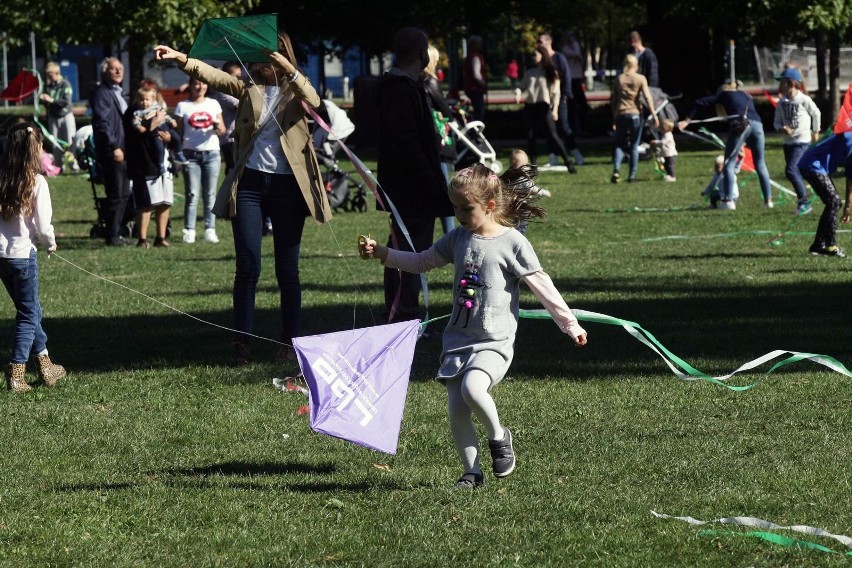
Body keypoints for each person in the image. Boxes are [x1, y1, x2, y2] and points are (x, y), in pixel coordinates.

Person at [360, 164, 588, 488]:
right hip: (458, 339)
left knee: (473, 389)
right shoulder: (458, 238)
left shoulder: (512, 243)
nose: (460, 215)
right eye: (455, 208)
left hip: (494, 341)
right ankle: (472, 472)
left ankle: (499, 437)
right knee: (456, 409)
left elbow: (542, 286)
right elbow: (422, 261)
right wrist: (384, 253)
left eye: (466, 208)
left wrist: (569, 324)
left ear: (490, 206)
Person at [154, 33, 333, 365]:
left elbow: (315, 102)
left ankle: (289, 343)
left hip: (289, 188)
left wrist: (289, 70)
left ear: (279, 56)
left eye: (266, 55)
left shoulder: (296, 89)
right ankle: (243, 344)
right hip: (249, 184)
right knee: (248, 266)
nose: (257, 62)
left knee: (287, 270)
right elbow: (215, 77)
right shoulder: (249, 88)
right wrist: (181, 58)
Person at [373, 27, 453, 325]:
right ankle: (403, 317)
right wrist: (430, 182)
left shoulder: (406, 87)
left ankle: (405, 314)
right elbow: (406, 144)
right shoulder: (400, 90)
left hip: (411, 188)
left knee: (408, 251)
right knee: (408, 253)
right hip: (411, 190)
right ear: (421, 54)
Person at [0, 122, 66, 392]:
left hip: (1, 257)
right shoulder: (37, 182)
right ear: (36, 149)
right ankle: (17, 372)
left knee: (30, 310)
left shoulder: (2, 178)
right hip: (23, 256)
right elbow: (43, 225)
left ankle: (46, 365)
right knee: (28, 315)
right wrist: (50, 243)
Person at [678, 81, 773, 209]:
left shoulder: (724, 94)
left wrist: (686, 120)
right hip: (758, 125)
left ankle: (728, 201)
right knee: (760, 164)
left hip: (740, 125)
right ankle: (768, 201)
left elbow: (699, 102)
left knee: (729, 163)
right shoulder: (745, 95)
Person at [123, 85, 176, 248]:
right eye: (142, 98)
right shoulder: (133, 113)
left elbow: (173, 134)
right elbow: (137, 135)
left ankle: (160, 237)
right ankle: (142, 239)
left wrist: (170, 138)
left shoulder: (160, 111)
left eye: (149, 98)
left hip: (165, 165)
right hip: (145, 164)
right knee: (146, 203)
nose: (145, 102)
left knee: (164, 202)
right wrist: (153, 123)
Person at [174, 77, 225, 244]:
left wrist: (218, 128)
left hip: (211, 153)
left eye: (203, 83)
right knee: (192, 193)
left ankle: (210, 229)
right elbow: (178, 132)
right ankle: (189, 230)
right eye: (196, 83)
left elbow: (223, 129)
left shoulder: (213, 104)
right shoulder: (182, 106)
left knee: (210, 193)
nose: (200, 86)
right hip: (190, 154)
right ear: (190, 86)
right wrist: (176, 153)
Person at [514, 47, 577, 175]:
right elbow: (521, 87)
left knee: (554, 135)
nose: (533, 57)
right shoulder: (530, 72)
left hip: (544, 107)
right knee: (530, 137)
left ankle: (568, 162)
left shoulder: (550, 72)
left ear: (542, 56)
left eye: (535, 54)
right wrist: (517, 93)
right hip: (530, 106)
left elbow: (556, 93)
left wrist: (555, 110)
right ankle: (533, 167)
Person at [90, 57, 132, 246]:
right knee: (116, 194)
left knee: (123, 193)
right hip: (113, 151)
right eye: (113, 69)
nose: (117, 71)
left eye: (120, 68)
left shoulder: (118, 93)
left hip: (124, 150)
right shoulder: (102, 93)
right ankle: (112, 235)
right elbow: (103, 123)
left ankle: (117, 231)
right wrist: (114, 146)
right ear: (105, 72)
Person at [774, 67, 820, 216]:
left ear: (792, 83)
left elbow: (816, 113)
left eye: (783, 83)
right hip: (788, 143)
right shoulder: (782, 102)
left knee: (791, 170)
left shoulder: (803, 100)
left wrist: (816, 130)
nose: (780, 86)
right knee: (796, 171)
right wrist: (782, 129)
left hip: (802, 141)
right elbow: (776, 123)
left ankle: (804, 203)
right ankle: (809, 194)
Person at [798, 132, 852, 257]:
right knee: (834, 202)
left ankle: (819, 245)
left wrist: (848, 207)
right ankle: (829, 246)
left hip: (817, 167)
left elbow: (850, 179)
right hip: (812, 165)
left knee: (833, 203)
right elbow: (841, 135)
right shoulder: (848, 135)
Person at [423, 44, 456, 234]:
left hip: (425, 142)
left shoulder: (416, 81)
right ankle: (450, 233)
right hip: (437, 141)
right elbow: (445, 111)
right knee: (444, 189)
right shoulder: (430, 81)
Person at [610, 54, 659, 183]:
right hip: (635, 114)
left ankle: (616, 169)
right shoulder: (640, 78)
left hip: (620, 113)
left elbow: (614, 100)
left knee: (619, 144)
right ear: (635, 65)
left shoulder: (619, 79)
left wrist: (614, 117)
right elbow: (648, 97)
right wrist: (654, 114)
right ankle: (631, 176)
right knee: (634, 145)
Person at [537, 32, 583, 166]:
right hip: (546, 98)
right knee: (550, 129)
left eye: (541, 42)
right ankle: (554, 157)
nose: (539, 45)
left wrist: (565, 94)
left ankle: (576, 153)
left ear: (548, 42)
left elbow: (567, 76)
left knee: (564, 126)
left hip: (560, 97)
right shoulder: (542, 60)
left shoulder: (558, 58)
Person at [39, 61, 76, 169]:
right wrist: (43, 99)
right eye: (48, 75)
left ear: (57, 73)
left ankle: (73, 165)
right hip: (53, 117)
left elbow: (66, 101)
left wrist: (51, 99)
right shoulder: (48, 86)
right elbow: (47, 104)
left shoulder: (65, 84)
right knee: (55, 143)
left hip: (66, 116)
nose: (49, 78)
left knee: (69, 141)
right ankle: (58, 166)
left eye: (51, 75)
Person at [561, 31, 590, 137]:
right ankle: (574, 129)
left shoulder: (571, 48)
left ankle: (582, 128)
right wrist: (575, 43)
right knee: (573, 106)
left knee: (582, 105)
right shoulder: (566, 49)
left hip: (577, 78)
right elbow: (577, 53)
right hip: (571, 80)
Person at [463, 35, 488, 122]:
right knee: (479, 112)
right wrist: (484, 84)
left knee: (477, 111)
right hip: (475, 88)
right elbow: (476, 75)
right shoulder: (475, 57)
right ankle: (475, 132)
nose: (481, 45)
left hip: (470, 87)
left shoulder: (469, 55)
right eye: (479, 43)